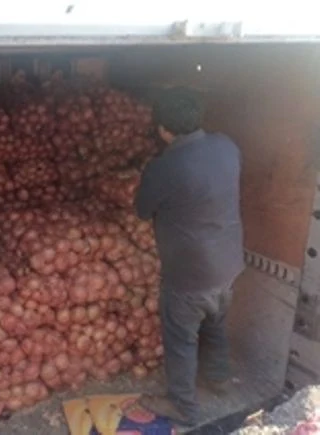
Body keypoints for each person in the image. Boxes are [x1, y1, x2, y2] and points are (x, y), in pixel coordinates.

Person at [133, 87, 245, 425]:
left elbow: (141, 210)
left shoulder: (164, 167)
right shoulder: (227, 146)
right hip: (228, 262)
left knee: (181, 338)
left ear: (163, 129)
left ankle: (183, 405)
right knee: (215, 322)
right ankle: (220, 378)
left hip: (189, 273)